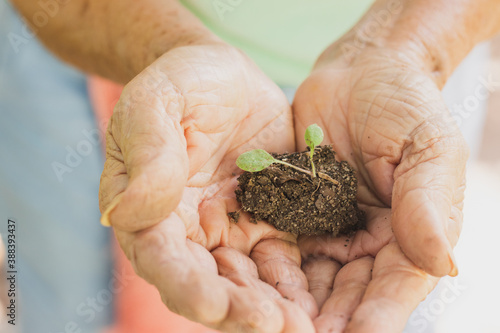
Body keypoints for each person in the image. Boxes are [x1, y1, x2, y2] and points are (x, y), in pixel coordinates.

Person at [3, 0, 500, 332]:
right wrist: (172, 46)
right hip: (92, 26)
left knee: (385, 298)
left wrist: (406, 47)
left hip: (399, 73)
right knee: (63, 296)